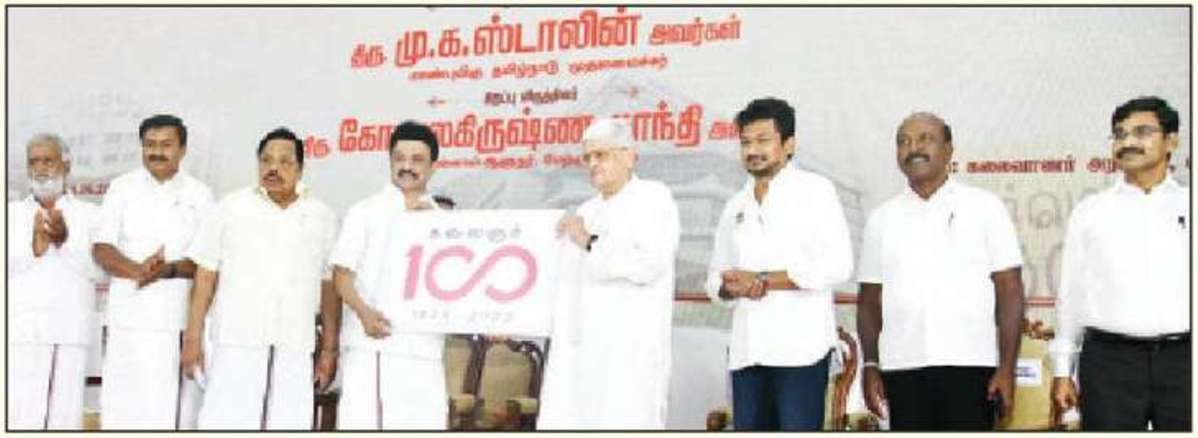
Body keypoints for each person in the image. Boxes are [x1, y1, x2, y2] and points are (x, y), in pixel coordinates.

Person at [856, 112, 1025, 430]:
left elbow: (1010, 289)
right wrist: (871, 365)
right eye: (904, 142)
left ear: (948, 150)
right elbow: (868, 300)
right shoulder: (882, 219)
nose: (913, 148)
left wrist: (1006, 368)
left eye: (925, 139)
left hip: (971, 366)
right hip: (902, 368)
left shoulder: (985, 207)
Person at [704, 98, 853, 430]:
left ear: (789, 144)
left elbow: (837, 264)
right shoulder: (735, 205)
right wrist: (729, 287)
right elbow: (714, 279)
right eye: (745, 142)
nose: (752, 150)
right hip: (747, 352)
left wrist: (764, 280)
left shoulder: (816, 192)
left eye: (762, 140)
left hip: (800, 352)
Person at [180, 127, 340, 430]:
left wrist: (330, 350)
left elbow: (330, 287)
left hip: (294, 347)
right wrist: (192, 339)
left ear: (300, 168)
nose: (273, 168)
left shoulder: (321, 216)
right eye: (266, 160)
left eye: (284, 161)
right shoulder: (230, 208)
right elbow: (205, 278)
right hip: (236, 344)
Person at [1049, 96, 1189, 431]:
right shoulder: (1091, 211)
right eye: (1120, 134)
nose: (1127, 142)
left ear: (1171, 141)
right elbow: (1072, 296)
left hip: (1185, 361)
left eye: (1142, 132)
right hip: (1110, 364)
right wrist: (1062, 371)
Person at [537, 118, 680, 429]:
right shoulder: (586, 210)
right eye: (587, 157)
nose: (592, 164)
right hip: (580, 351)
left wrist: (589, 241)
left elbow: (648, 264)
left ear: (629, 156)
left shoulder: (653, 198)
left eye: (600, 155)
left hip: (627, 351)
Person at [92, 114, 213, 429]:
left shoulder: (200, 195)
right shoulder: (121, 188)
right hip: (127, 323)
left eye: (166, 145)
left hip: (176, 323)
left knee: (171, 416)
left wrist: (166, 269)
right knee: (123, 413)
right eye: (150, 145)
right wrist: (139, 270)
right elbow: (101, 248)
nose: (157, 152)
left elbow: (206, 262)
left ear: (182, 150)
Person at [330, 120, 450, 429]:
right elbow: (341, 275)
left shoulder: (444, 222)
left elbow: (456, 287)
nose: (407, 167)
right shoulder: (364, 211)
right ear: (390, 161)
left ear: (433, 167)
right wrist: (364, 313)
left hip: (424, 349)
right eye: (400, 158)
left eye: (417, 160)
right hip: (371, 345)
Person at [8, 134, 102, 429]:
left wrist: (63, 242)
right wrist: (33, 249)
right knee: (21, 415)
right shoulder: (10, 215)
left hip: (71, 330)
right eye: (34, 161)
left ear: (66, 165)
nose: (40, 168)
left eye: (48, 160)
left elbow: (100, 271)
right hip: (22, 333)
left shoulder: (90, 215)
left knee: (66, 416)